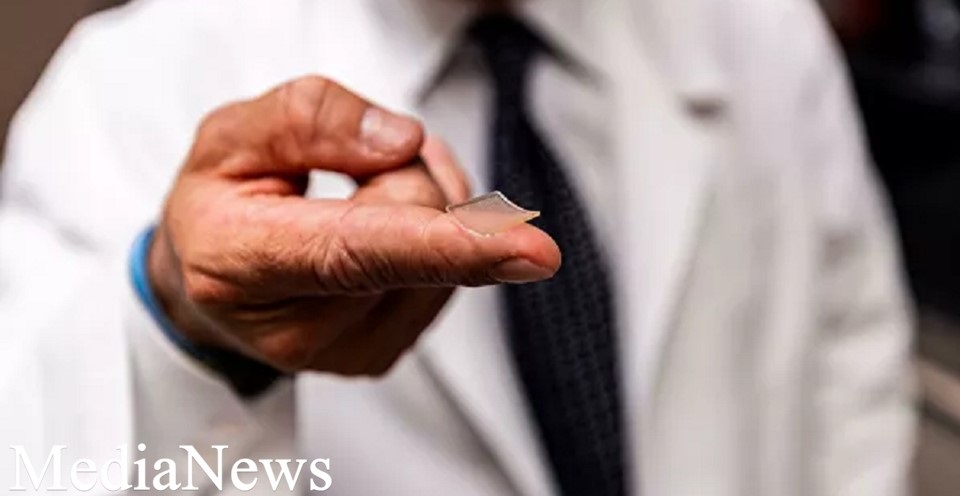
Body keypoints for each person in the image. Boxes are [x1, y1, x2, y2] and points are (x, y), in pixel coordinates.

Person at [0, 0, 915, 494]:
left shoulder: (760, 27)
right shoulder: (123, 85)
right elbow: (40, 456)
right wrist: (185, 332)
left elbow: (853, 360)